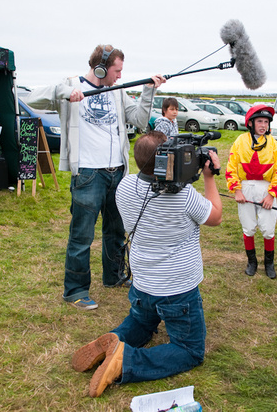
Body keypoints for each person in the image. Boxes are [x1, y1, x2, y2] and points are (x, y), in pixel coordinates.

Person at [71, 131, 222, 397]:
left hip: (143, 283)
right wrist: (209, 177)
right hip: (177, 290)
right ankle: (124, 362)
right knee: (190, 350)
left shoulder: (125, 186)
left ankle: (111, 342)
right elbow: (215, 216)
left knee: (141, 324)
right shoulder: (185, 197)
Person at [25, 45, 166, 310]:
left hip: (118, 174)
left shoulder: (117, 91)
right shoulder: (70, 86)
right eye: (117, 70)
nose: (120, 76)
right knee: (81, 236)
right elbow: (31, 99)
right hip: (89, 174)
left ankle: (113, 277)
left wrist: (149, 91)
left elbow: (138, 119)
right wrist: (66, 93)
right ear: (101, 68)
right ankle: (75, 291)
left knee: (115, 231)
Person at [226, 105, 277, 279]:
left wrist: (271, 194)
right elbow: (231, 168)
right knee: (248, 227)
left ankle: (269, 264)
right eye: (259, 121)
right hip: (245, 188)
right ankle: (252, 262)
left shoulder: (274, 144)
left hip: (266, 188)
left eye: (266, 122)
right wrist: (237, 190)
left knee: (268, 229)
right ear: (250, 123)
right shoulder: (240, 141)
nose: (263, 125)